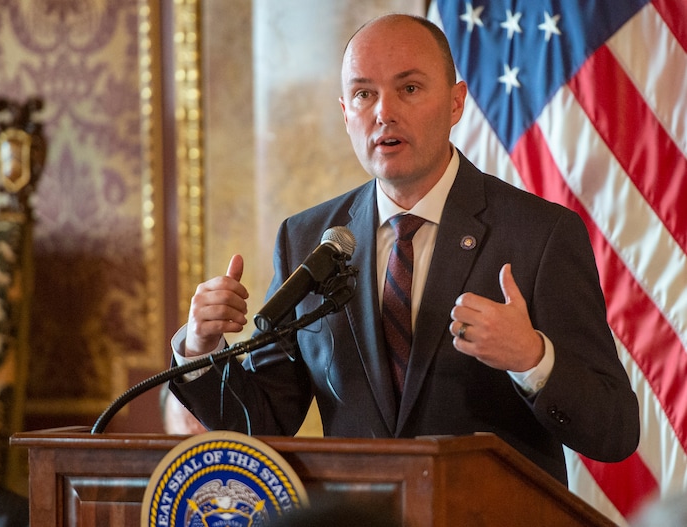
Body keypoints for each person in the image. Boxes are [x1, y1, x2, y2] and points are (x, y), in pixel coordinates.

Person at [170, 13, 639, 485]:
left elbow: (614, 431)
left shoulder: (540, 234)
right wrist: (199, 349)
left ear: (456, 103)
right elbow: (263, 423)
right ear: (345, 112)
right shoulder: (306, 238)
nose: (383, 112)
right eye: (364, 94)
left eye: (409, 88)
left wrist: (532, 359)